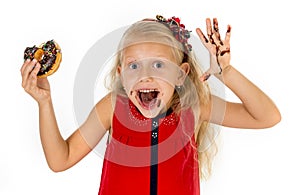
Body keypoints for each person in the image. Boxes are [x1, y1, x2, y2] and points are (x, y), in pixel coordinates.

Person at [20, 15, 281, 195]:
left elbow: (267, 117)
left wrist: (226, 72)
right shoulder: (112, 107)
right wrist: (45, 102)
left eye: (158, 65)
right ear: (122, 74)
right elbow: (60, 159)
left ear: (181, 74)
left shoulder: (195, 107)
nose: (145, 75)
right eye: (134, 66)